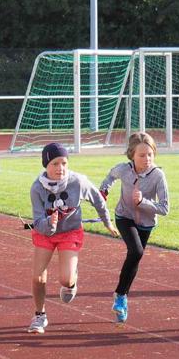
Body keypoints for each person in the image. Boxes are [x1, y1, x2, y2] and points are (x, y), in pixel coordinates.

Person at [27, 143, 119, 334]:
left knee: (66, 280)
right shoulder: (37, 188)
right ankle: (39, 315)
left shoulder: (78, 181)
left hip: (70, 232)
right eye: (55, 164)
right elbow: (37, 220)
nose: (60, 168)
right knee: (38, 276)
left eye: (64, 163)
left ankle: (72, 281)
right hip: (45, 234)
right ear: (46, 165)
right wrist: (49, 223)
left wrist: (107, 222)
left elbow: (98, 200)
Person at [99, 132, 169, 323]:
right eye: (141, 155)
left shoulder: (157, 175)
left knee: (135, 258)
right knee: (136, 251)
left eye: (150, 154)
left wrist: (143, 202)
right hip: (124, 216)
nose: (146, 159)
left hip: (146, 223)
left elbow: (165, 208)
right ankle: (121, 297)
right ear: (131, 155)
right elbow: (110, 177)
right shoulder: (124, 169)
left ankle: (121, 296)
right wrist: (104, 190)